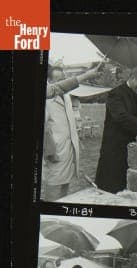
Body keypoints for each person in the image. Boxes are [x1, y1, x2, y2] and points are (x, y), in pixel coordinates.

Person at [95, 66, 137, 194]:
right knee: (110, 188)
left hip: (133, 150)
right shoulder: (115, 93)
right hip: (115, 149)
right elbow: (121, 117)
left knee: (130, 189)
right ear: (132, 78)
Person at [42, 65, 81, 201]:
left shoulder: (66, 95)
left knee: (65, 187)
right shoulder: (45, 97)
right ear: (49, 80)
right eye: (57, 80)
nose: (61, 83)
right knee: (53, 188)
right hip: (55, 150)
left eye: (63, 79)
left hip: (68, 148)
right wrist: (49, 151)